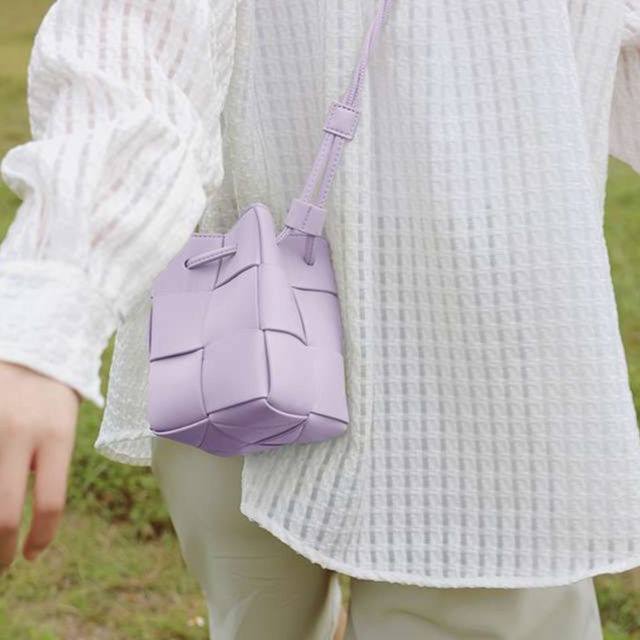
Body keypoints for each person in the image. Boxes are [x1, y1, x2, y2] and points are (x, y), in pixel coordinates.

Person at [1, 0, 640, 638]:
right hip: (250, 339)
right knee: (260, 605)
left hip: (448, 356)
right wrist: (52, 306)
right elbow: (137, 50)